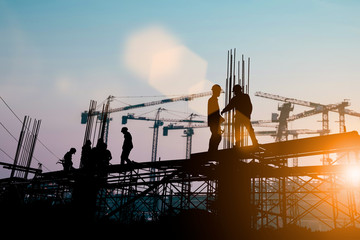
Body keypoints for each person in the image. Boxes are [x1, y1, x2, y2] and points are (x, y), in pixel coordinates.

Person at [208, 84, 225, 152]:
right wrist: (219, 118)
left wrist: (220, 118)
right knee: (216, 136)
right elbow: (213, 113)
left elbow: (215, 113)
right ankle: (212, 151)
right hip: (214, 122)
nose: (219, 93)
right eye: (218, 91)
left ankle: (212, 150)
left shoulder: (213, 100)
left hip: (215, 122)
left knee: (216, 136)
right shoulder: (212, 100)